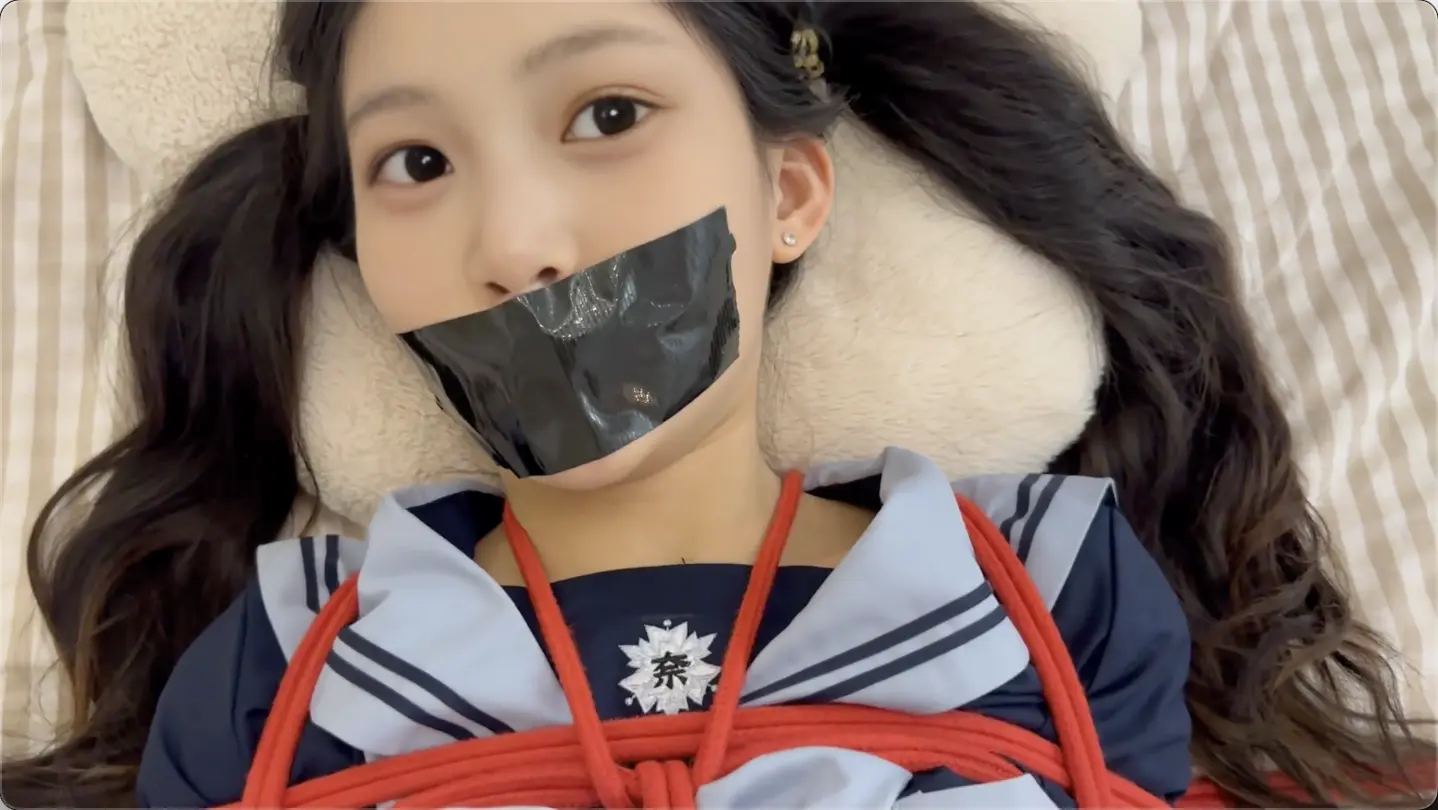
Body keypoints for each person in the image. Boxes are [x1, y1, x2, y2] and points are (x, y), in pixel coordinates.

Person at [2, 1, 1431, 808]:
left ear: (790, 191)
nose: (517, 244)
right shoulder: (276, 664)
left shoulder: (1063, 592)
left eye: (608, 115)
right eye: (415, 164)